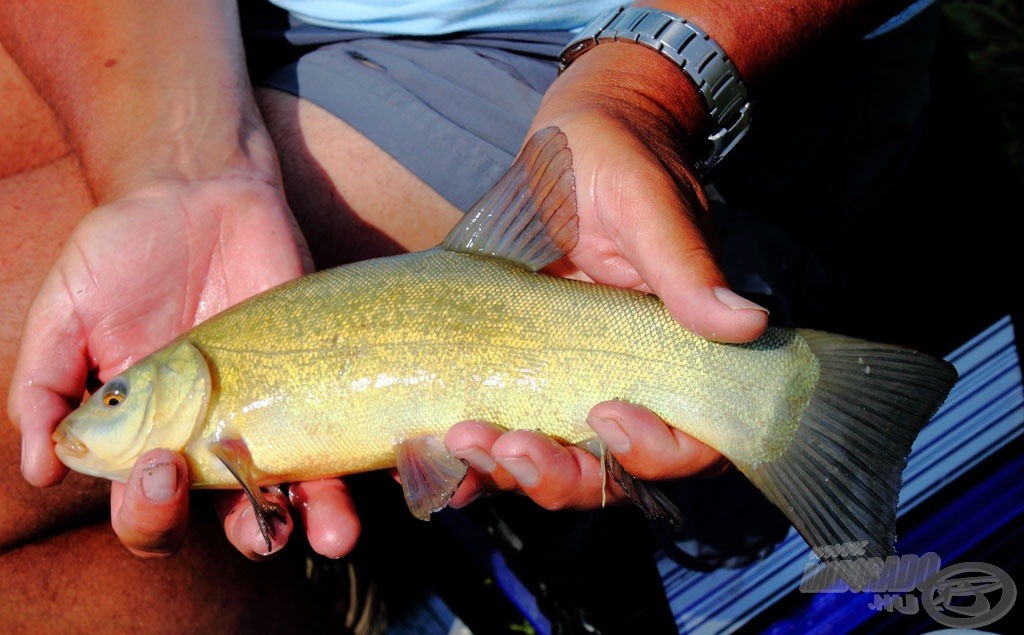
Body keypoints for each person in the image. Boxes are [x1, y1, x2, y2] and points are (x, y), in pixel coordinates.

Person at [0, 0, 940, 630]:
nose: (107, 404)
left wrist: (642, 89)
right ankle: (355, 577)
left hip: (676, 42)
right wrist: (175, 163)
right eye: (117, 398)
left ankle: (332, 590)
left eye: (119, 397)